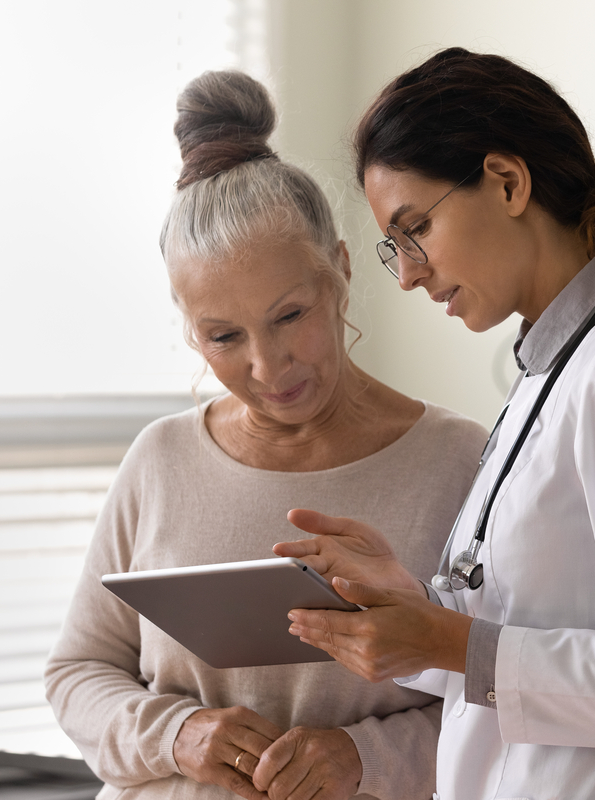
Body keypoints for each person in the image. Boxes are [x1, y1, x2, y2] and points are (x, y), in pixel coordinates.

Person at [274, 48, 595, 799]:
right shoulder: (553, 368)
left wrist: (452, 640)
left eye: (414, 228)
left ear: (508, 182)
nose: (409, 272)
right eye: (395, 248)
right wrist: (412, 611)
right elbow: (530, 624)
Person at [44, 70, 488, 800]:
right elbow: (78, 673)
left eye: (289, 316)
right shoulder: (159, 462)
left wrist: (361, 756)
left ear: (341, 272)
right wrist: (176, 737)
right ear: (191, 334)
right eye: (223, 336)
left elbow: (502, 693)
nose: (266, 365)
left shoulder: (459, 462)